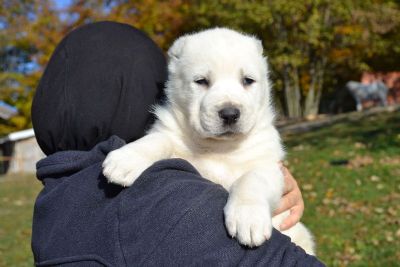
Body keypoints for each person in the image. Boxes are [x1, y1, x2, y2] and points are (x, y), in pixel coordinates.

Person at [31, 21, 325, 266]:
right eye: (202, 82)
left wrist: (253, 195)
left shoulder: (260, 136)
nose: (229, 106)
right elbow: (165, 141)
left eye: (247, 80)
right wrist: (146, 149)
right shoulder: (169, 135)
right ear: (174, 80)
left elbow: (268, 173)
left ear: (263, 80)